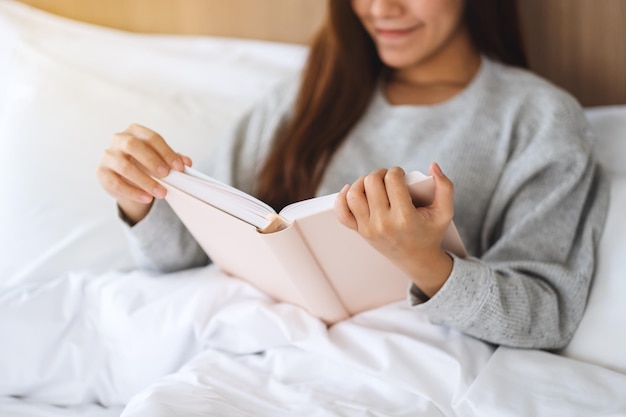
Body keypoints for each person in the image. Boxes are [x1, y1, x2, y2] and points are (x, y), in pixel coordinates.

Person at [97, 0, 609, 350]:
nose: (381, 8)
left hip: (389, 363)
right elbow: (182, 257)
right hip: (233, 339)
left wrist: (427, 264)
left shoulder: (538, 117)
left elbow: (548, 316)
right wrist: (141, 195)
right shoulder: (307, 94)